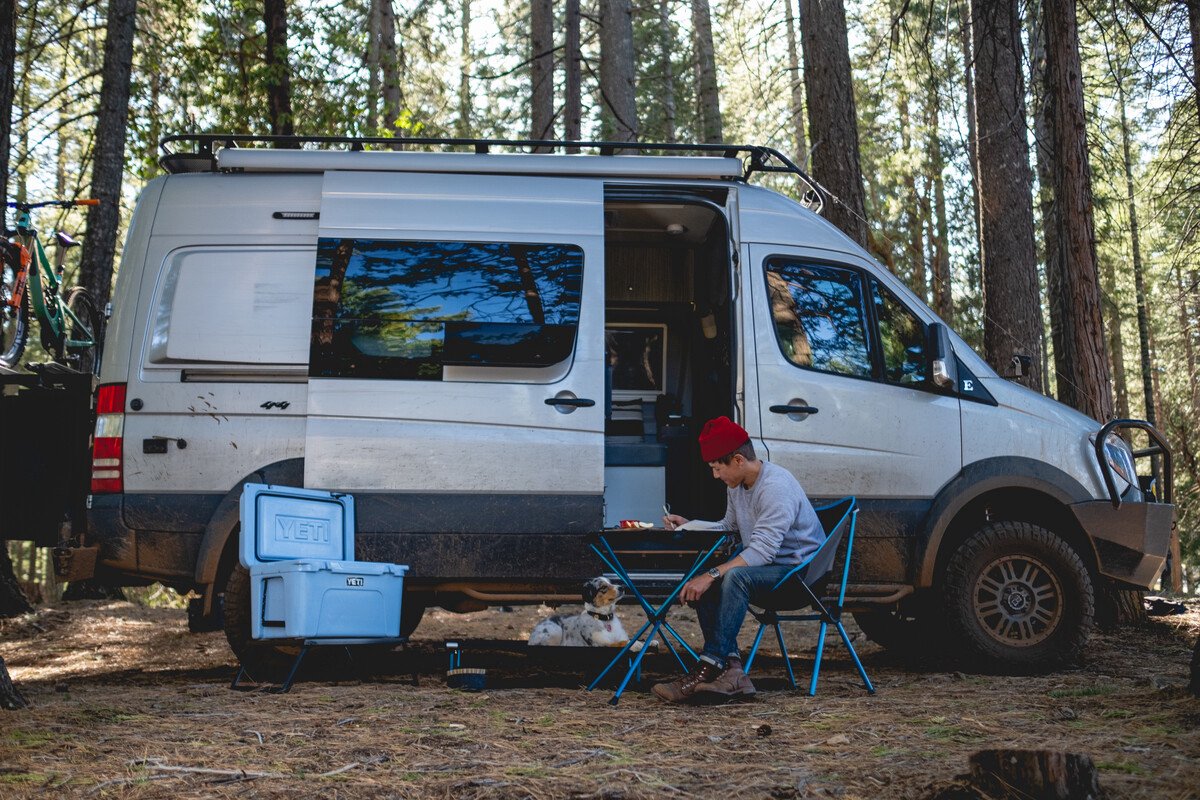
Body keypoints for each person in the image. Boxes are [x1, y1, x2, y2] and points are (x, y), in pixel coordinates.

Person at [654, 416, 825, 702]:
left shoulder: (776, 487)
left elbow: (762, 551)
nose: (715, 476)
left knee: (730, 575)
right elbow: (728, 527)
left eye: (717, 468)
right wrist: (688, 524)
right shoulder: (736, 486)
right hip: (769, 569)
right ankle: (732, 671)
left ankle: (708, 665)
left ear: (737, 460)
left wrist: (712, 575)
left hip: (799, 576)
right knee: (712, 574)